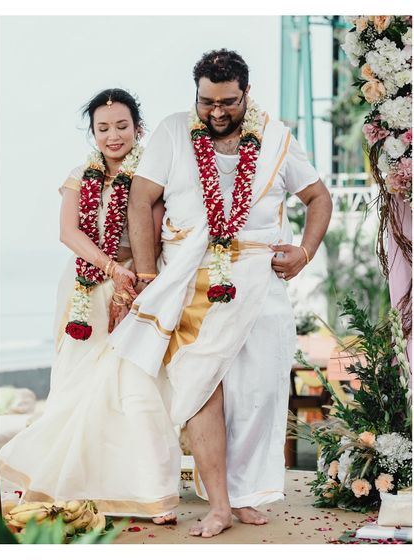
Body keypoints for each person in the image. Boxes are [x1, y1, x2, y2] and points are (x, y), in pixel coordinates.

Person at [111, 50, 332, 537]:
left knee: (258, 392)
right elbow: (141, 199)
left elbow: (318, 198)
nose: (215, 112)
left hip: (260, 275)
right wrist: (147, 276)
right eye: (206, 101)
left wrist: (305, 252)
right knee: (200, 389)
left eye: (227, 102)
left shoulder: (275, 137)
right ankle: (220, 505)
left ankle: (248, 493)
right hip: (189, 279)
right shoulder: (173, 131)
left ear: (245, 94)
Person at [0, 88, 181, 523]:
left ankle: (152, 493)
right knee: (76, 389)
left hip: (140, 290)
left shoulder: (154, 176)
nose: (113, 136)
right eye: (103, 128)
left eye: (122, 126)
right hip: (86, 292)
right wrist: (108, 269)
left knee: (136, 389)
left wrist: (132, 280)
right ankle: (79, 484)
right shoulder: (79, 176)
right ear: (93, 133)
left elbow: (158, 235)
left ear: (139, 128)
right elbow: (69, 233)